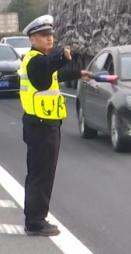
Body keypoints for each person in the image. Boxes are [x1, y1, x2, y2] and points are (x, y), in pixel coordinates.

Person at [19, 14, 91, 236]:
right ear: (32, 39)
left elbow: (55, 74)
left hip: (44, 124)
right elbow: (47, 69)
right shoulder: (35, 61)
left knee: (40, 173)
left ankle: (36, 218)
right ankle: (36, 222)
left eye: (50, 34)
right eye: (43, 35)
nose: (49, 39)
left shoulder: (40, 61)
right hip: (41, 125)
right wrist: (62, 55)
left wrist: (78, 73)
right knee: (42, 175)